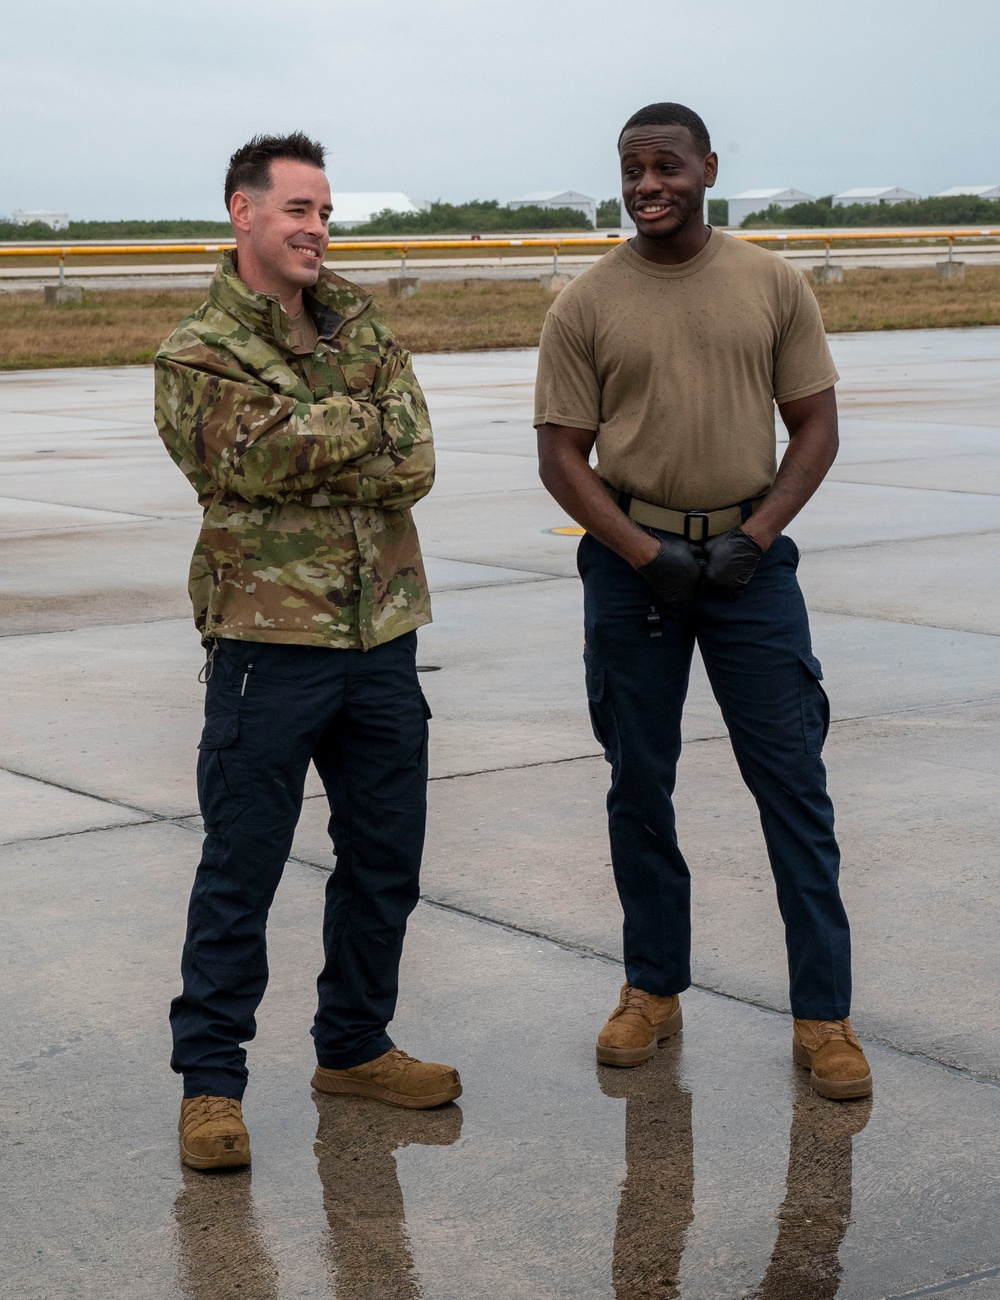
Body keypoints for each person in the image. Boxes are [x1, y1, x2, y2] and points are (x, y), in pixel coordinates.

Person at [535, 102, 871, 1100]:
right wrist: (643, 552)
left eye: (667, 166)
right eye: (633, 170)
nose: (649, 185)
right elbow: (561, 457)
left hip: (749, 568)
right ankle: (651, 987)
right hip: (633, 570)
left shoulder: (769, 283)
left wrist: (754, 537)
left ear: (707, 167)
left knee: (792, 787)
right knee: (640, 782)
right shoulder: (584, 304)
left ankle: (824, 1015)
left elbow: (813, 427)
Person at [155, 132, 461, 1171]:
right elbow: (251, 457)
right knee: (241, 868)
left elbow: (415, 457)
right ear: (243, 213)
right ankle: (211, 1084)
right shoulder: (195, 353)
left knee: (385, 860)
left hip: (382, 638)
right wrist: (346, 427)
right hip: (266, 645)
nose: (317, 230)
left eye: (326, 213)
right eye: (298, 210)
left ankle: (354, 1044)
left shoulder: (362, 323)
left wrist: (317, 433)